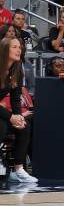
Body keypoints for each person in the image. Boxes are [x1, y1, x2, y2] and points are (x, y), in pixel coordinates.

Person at [0, 38, 37, 183]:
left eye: (20, 47)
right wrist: (11, 117)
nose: (19, 50)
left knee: (24, 125)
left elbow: (16, 99)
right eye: (14, 47)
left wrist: (18, 116)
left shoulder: (16, 70)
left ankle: (18, 169)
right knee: (2, 125)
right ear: (4, 50)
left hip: (3, 112)